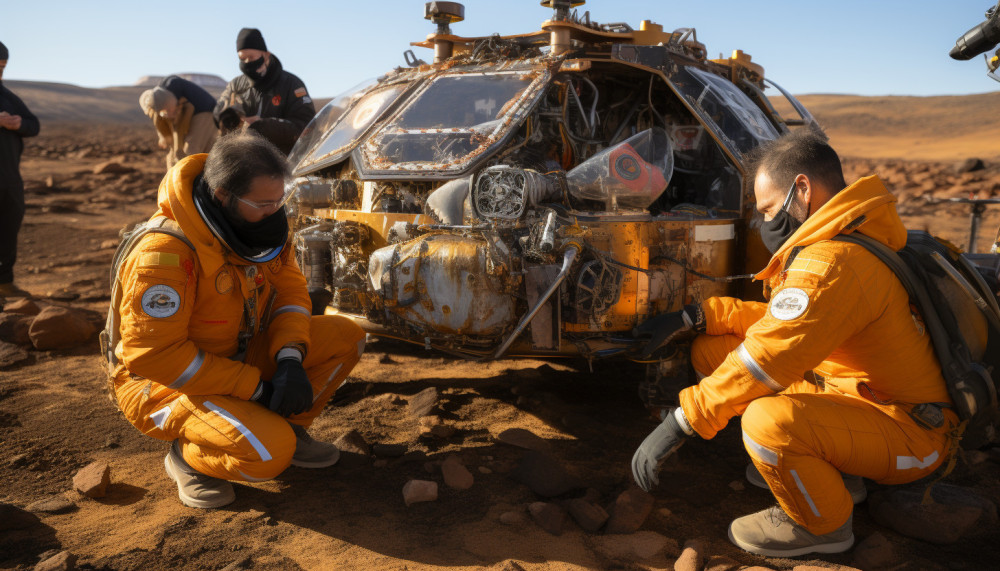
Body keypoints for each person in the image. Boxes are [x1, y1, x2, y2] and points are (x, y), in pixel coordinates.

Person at [630, 129, 956, 557]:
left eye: (768, 209)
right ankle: (829, 470)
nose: (764, 223)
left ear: (801, 189)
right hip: (857, 395)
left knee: (767, 422)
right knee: (713, 352)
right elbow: (785, 325)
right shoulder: (849, 239)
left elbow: (769, 356)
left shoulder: (833, 262)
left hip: (910, 431)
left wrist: (680, 422)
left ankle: (822, 525)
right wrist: (704, 315)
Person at [111, 132, 366, 509]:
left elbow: (292, 293)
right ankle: (189, 457)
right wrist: (256, 389)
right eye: (263, 204)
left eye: (279, 200)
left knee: (346, 336)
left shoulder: (260, 232)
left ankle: (288, 428)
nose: (275, 211)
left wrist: (289, 358)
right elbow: (154, 356)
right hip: (164, 384)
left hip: (234, 357)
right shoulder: (167, 254)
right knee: (268, 455)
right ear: (222, 196)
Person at [213, 28, 315, 155]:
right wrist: (229, 117)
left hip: (283, 158)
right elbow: (219, 111)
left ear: (266, 55)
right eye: (242, 58)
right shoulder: (236, 86)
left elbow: (306, 126)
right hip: (245, 157)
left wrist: (262, 125)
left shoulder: (292, 84)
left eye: (251, 57)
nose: (247, 62)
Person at [0, 41, 40, 299]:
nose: (0, 72)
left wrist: (19, 124)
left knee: (8, 227)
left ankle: (5, 283)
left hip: (9, 178)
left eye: (2, 67)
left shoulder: (7, 97)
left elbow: (34, 124)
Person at [139, 75, 218, 169]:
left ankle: (188, 175)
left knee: (191, 149)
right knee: (186, 151)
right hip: (201, 113)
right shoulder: (163, 95)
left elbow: (178, 125)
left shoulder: (172, 89)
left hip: (205, 111)